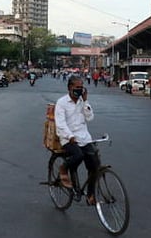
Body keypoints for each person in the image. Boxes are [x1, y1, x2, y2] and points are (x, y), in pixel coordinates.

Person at [55, 76, 99, 205]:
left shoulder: (82, 101)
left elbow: (90, 118)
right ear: (70, 87)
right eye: (77, 87)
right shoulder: (62, 103)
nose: (79, 90)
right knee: (78, 155)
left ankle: (90, 195)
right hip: (68, 138)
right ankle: (64, 168)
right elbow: (61, 124)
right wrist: (70, 136)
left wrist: (85, 102)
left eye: (81, 87)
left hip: (84, 137)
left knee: (95, 165)